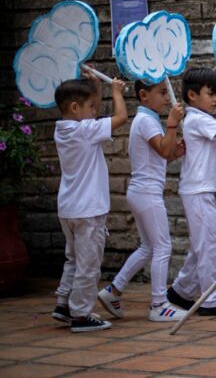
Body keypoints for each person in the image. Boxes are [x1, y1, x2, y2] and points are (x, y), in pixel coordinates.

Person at [97, 80, 188, 322]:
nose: (166, 98)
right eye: (161, 93)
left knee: (148, 247)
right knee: (162, 247)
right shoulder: (147, 121)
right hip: (146, 192)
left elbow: (161, 154)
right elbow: (162, 148)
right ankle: (158, 304)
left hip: (142, 191)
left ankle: (113, 290)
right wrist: (172, 123)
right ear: (144, 95)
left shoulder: (146, 120)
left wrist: (175, 151)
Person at [51, 71, 128, 332]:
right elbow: (121, 118)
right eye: (92, 106)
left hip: (69, 209)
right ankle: (81, 314)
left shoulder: (63, 129)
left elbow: (91, 110)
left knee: (73, 258)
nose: (96, 111)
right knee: (88, 263)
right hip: (88, 211)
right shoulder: (85, 131)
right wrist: (116, 93)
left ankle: (64, 303)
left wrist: (95, 85)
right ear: (75, 107)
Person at [166, 68, 216, 315]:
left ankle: (181, 292)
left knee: (202, 245)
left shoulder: (204, 121)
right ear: (192, 95)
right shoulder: (197, 119)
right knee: (210, 245)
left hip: (201, 190)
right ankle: (212, 300)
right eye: (211, 94)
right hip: (196, 191)